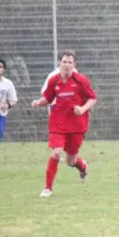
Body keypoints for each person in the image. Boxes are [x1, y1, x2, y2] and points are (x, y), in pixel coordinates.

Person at [31, 50, 97, 197]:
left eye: (70, 62)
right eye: (64, 62)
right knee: (56, 153)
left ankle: (83, 166)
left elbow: (92, 98)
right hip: (58, 123)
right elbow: (48, 99)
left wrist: (83, 108)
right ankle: (48, 188)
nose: (67, 65)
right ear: (59, 63)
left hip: (76, 125)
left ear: (74, 65)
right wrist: (38, 102)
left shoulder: (81, 80)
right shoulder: (53, 80)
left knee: (70, 160)